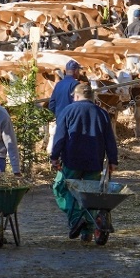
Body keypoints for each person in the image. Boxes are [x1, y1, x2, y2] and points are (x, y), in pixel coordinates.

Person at [51, 83, 119, 241]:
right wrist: (112, 160)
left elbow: (59, 136)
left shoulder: (67, 111)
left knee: (61, 189)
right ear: (92, 97)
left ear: (75, 96)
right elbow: (110, 139)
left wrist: (54, 157)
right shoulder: (102, 113)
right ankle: (87, 231)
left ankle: (76, 219)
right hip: (94, 161)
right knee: (91, 196)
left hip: (72, 161)